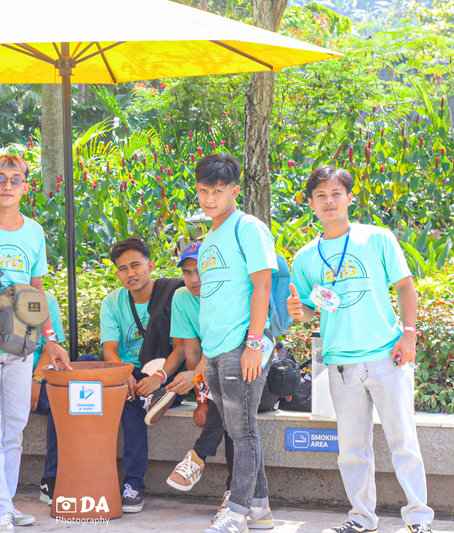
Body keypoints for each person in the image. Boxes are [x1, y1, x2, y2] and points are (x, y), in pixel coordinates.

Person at [287, 165, 434, 533]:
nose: (329, 201)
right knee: (352, 450)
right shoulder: (305, 257)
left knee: (404, 442)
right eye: (320, 196)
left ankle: (419, 519)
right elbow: (310, 309)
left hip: (386, 357)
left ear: (349, 198)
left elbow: (405, 286)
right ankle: (361, 518)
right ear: (310, 203)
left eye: (336, 193)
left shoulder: (376, 238)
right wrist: (298, 311)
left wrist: (409, 335)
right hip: (340, 365)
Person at [0, 154, 72, 533]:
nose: (7, 185)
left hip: (22, 341)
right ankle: (1, 510)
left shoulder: (34, 231)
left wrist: (50, 339)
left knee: (14, 428)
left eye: (15, 179)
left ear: (26, 186)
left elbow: (36, 289)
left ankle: (0, 506)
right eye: (0, 178)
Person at [193, 154, 276, 533]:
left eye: (218, 190)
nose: (210, 199)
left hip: (243, 344)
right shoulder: (209, 237)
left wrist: (254, 344)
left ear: (234, 191)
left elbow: (263, 284)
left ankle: (237, 512)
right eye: (203, 191)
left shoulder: (248, 227)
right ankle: (259, 507)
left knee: (243, 432)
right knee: (235, 429)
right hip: (215, 348)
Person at [100, 237, 185, 513]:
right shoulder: (112, 302)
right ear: (117, 273)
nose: (130, 273)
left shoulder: (172, 294)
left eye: (136, 265)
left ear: (150, 265)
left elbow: (182, 348)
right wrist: (123, 373)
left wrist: (159, 377)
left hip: (166, 373)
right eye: (123, 268)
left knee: (130, 402)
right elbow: (110, 351)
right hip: (128, 374)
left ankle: (134, 484)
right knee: (89, 367)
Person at [0, 291, 67, 508]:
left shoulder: (45, 299)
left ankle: (48, 480)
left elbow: (50, 346)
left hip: (31, 374)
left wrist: (37, 379)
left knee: (49, 410)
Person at [164, 242, 234, 513]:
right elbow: (192, 354)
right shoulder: (182, 298)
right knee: (228, 411)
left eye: (200, 271)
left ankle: (197, 456)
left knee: (230, 400)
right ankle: (234, 492)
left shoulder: (228, 292)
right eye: (187, 272)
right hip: (215, 384)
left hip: (248, 374)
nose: (194, 279)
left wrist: (203, 387)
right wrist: (201, 402)